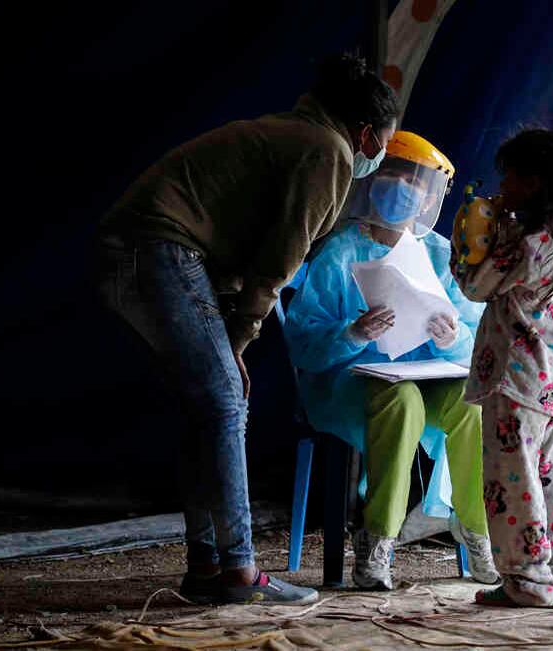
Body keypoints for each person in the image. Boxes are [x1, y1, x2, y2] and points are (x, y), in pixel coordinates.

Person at [93, 53, 398, 605]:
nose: (376, 158)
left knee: (205, 405)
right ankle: (238, 569)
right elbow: (278, 263)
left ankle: (206, 566)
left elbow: (246, 254)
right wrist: (235, 344)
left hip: (133, 251)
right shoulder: (327, 150)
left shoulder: (298, 133)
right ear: (363, 133)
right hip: (156, 248)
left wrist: (229, 346)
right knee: (226, 402)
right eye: (381, 144)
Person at [283, 131, 499, 591]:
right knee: (402, 402)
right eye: (392, 175)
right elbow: (303, 341)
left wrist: (452, 335)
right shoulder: (340, 251)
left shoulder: (441, 255)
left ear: (429, 198)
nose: (402, 187)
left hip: (431, 378)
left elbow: (479, 342)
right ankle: (378, 539)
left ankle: (477, 529)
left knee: (471, 403)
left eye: (413, 181)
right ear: (371, 182)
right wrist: (353, 333)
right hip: (348, 383)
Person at [450, 124, 553, 607]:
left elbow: (474, 286)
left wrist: (464, 243)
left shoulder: (521, 242)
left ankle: (526, 582)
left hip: (513, 378)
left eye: (508, 178)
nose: (501, 187)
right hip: (548, 381)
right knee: (548, 477)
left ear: (531, 182)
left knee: (512, 483)